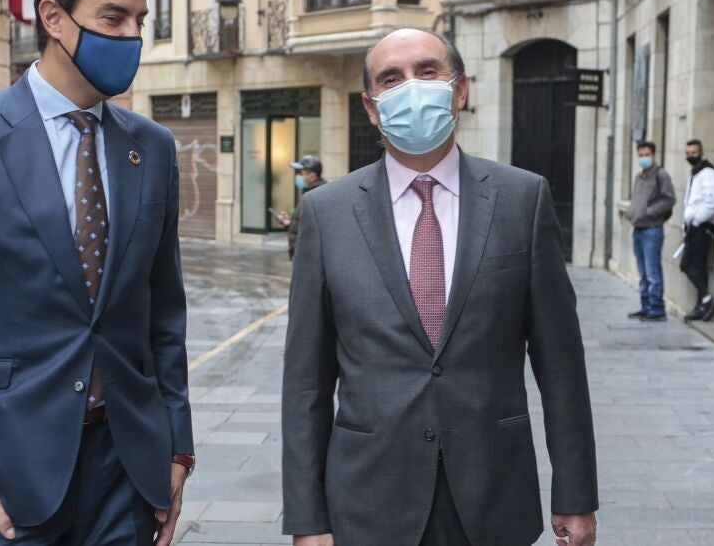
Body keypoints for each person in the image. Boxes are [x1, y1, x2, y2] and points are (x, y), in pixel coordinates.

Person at [0, 0, 194, 544]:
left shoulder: (153, 147)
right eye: (113, 18)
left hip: (130, 471)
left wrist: (178, 445)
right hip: (6, 474)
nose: (132, 36)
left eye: (140, 21)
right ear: (53, 17)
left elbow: (164, 313)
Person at [281, 28, 598, 546]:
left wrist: (576, 494)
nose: (411, 87)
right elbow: (305, 384)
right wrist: (307, 519)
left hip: (494, 495)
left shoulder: (523, 200)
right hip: (367, 500)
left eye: (427, 71)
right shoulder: (325, 212)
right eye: (391, 79)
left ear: (460, 89)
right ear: (371, 107)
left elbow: (561, 366)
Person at [625, 141, 676, 322]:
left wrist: (649, 212)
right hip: (638, 229)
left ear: (653, 155)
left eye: (647, 155)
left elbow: (669, 199)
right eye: (641, 155)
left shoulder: (661, 175)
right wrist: (632, 213)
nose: (643, 158)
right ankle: (646, 306)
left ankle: (656, 308)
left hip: (652, 230)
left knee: (652, 271)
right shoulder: (639, 177)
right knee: (643, 272)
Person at [680, 139, 714, 321]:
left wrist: (696, 221)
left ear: (701, 153)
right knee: (698, 266)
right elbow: (690, 203)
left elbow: (713, 201)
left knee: (687, 265)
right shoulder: (696, 173)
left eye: (694, 153)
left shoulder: (708, 174)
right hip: (694, 227)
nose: (690, 156)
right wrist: (686, 228)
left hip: (702, 226)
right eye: (688, 153)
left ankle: (707, 298)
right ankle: (702, 304)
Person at [275, 155, 327, 259]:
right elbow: (306, 224)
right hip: (301, 257)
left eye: (300, 173)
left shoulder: (319, 196)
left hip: (308, 258)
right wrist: (290, 223)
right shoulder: (308, 193)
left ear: (312, 176)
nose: (297, 176)